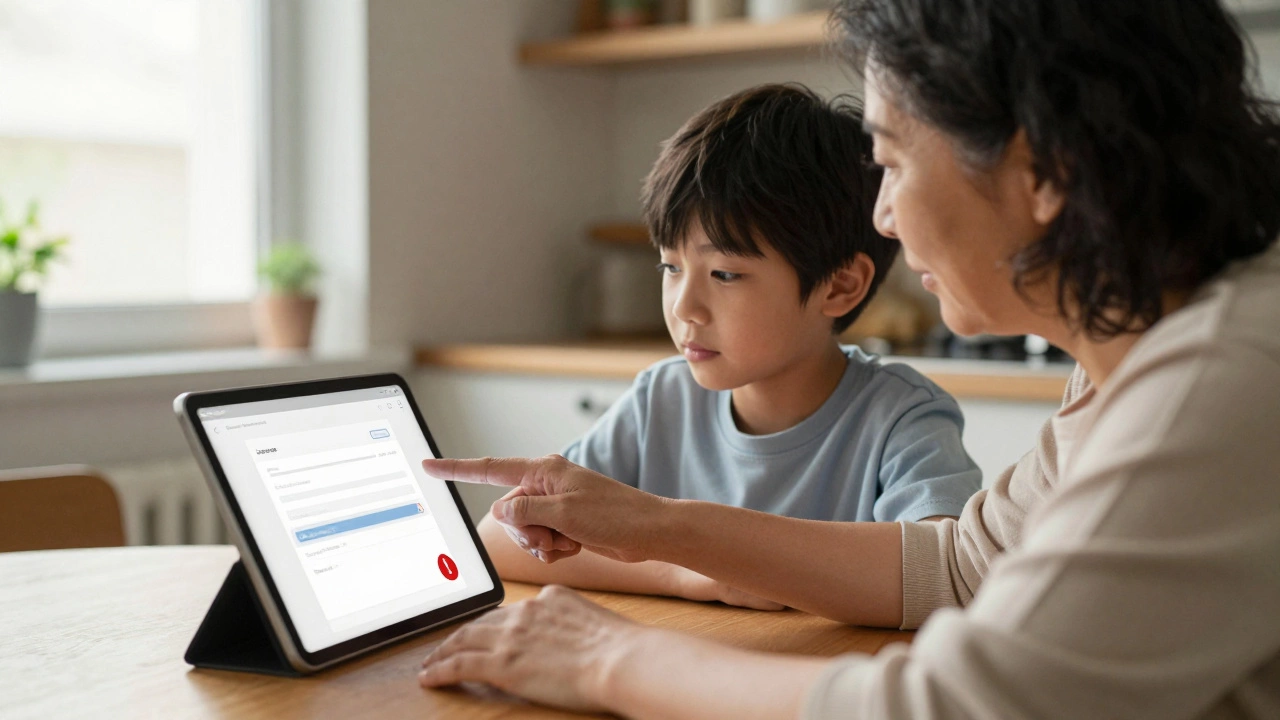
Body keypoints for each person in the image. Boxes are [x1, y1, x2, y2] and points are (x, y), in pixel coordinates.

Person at [418, 0, 1280, 717]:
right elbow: (960, 565)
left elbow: (971, 705)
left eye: (892, 162)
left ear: (1045, 170)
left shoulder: (1225, 375)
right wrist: (656, 529)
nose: (884, 216)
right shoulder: (1134, 355)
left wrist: (613, 660)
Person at [478, 83, 980, 608]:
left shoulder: (901, 417)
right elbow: (500, 538)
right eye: (671, 267)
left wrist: (703, 552)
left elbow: (945, 573)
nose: (684, 307)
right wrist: (687, 575)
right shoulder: (661, 400)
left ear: (838, 286)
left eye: (724, 273)